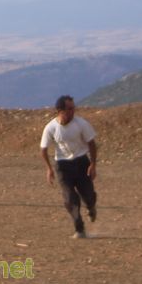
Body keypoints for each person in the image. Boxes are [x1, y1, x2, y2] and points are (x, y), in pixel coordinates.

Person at [40, 95, 98, 239]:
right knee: (70, 198)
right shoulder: (51, 127)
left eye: (74, 108)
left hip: (81, 162)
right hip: (62, 165)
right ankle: (79, 229)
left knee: (88, 195)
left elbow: (92, 143)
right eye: (70, 109)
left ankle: (91, 207)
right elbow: (43, 149)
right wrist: (49, 168)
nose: (73, 111)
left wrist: (93, 164)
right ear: (60, 110)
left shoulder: (81, 123)